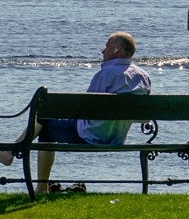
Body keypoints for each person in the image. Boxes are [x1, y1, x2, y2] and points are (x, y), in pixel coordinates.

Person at [37, 31, 152, 190]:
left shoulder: (106, 73)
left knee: (45, 126)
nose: (103, 51)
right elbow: (144, 118)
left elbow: (86, 108)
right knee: (47, 120)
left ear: (117, 49)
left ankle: (39, 185)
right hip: (117, 139)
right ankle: (12, 152)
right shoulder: (143, 76)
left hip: (90, 135)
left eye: (106, 46)